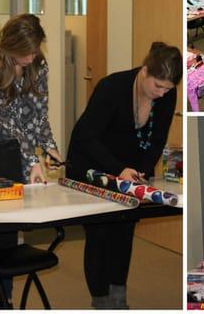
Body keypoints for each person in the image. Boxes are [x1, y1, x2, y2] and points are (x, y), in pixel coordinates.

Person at [66, 41, 182, 309]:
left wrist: (141, 172)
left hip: (128, 169)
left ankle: (118, 299)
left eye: (168, 88)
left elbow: (156, 139)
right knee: (100, 233)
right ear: (144, 71)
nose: (162, 94)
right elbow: (86, 136)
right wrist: (118, 170)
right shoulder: (111, 87)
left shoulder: (166, 93)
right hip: (91, 162)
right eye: (157, 86)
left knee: (124, 230)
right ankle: (100, 301)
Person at [0, 13, 62, 307]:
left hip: (21, 153)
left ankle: (3, 296)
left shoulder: (37, 66)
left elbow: (38, 115)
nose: (32, 57)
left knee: (8, 231)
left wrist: (49, 147)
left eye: (35, 50)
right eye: (26, 51)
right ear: (9, 45)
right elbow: (4, 123)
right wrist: (32, 158)